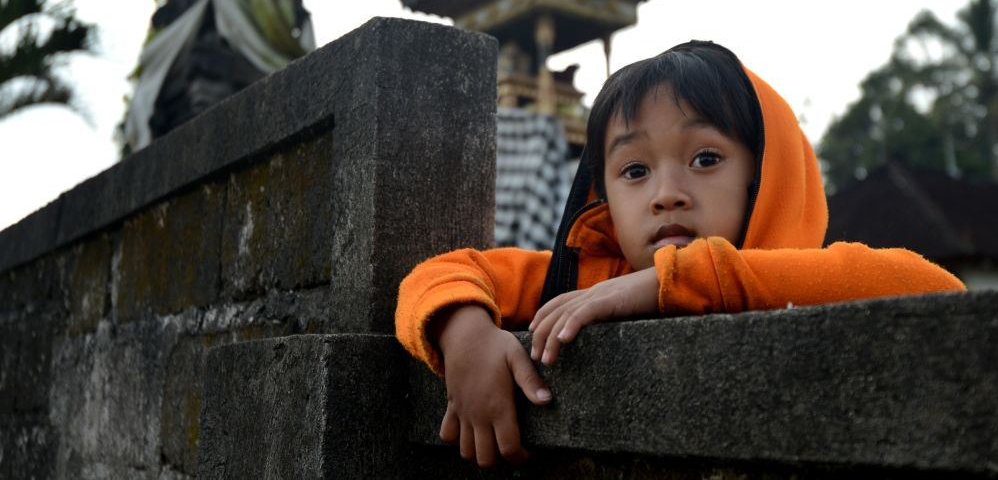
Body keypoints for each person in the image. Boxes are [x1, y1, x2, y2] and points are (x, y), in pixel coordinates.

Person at [394, 40, 965, 467]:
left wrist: (672, 281)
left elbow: (936, 290)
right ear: (602, 192)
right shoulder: (583, 280)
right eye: (634, 170)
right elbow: (442, 273)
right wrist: (465, 337)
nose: (666, 193)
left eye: (705, 159)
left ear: (764, 176)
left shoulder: (806, 277)